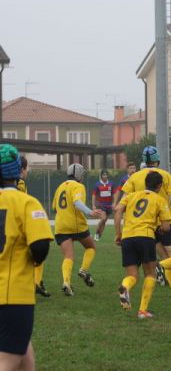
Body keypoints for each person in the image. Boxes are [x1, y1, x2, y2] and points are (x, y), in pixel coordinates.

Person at [0, 144, 53, 371]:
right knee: (9, 358)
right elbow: (40, 246)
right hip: (13, 293)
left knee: (24, 355)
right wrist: (35, 261)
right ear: (18, 171)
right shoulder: (26, 202)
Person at [120, 146, 171, 307]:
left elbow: (124, 199)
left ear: (144, 160)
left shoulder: (134, 177)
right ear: (157, 160)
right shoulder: (164, 175)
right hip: (163, 223)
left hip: (142, 226)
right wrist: (169, 203)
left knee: (163, 259)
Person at [114, 171, 171, 319]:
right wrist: (159, 228)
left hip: (127, 236)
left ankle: (125, 287)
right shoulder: (159, 200)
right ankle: (142, 310)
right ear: (159, 186)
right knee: (150, 273)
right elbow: (166, 228)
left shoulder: (132, 196)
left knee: (132, 275)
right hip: (145, 236)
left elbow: (118, 210)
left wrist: (118, 233)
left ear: (146, 182)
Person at [52, 163, 104, 296]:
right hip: (76, 225)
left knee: (68, 256)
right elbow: (77, 202)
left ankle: (66, 283)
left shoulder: (60, 187)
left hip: (60, 226)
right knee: (91, 247)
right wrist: (90, 212)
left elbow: (54, 208)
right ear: (79, 175)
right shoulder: (78, 186)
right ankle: (83, 270)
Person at [16, 157, 51, 298]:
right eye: (27, 168)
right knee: (37, 249)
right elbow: (19, 203)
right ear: (22, 169)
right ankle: (35, 283)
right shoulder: (20, 183)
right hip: (17, 224)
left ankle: (39, 281)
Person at [92, 169, 115, 242]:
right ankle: (96, 233)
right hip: (101, 205)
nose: (105, 176)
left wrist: (114, 203)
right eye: (103, 175)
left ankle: (98, 236)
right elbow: (94, 195)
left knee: (104, 221)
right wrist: (93, 205)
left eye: (106, 174)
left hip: (109, 205)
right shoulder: (97, 184)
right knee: (103, 218)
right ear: (101, 176)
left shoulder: (111, 183)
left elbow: (114, 194)